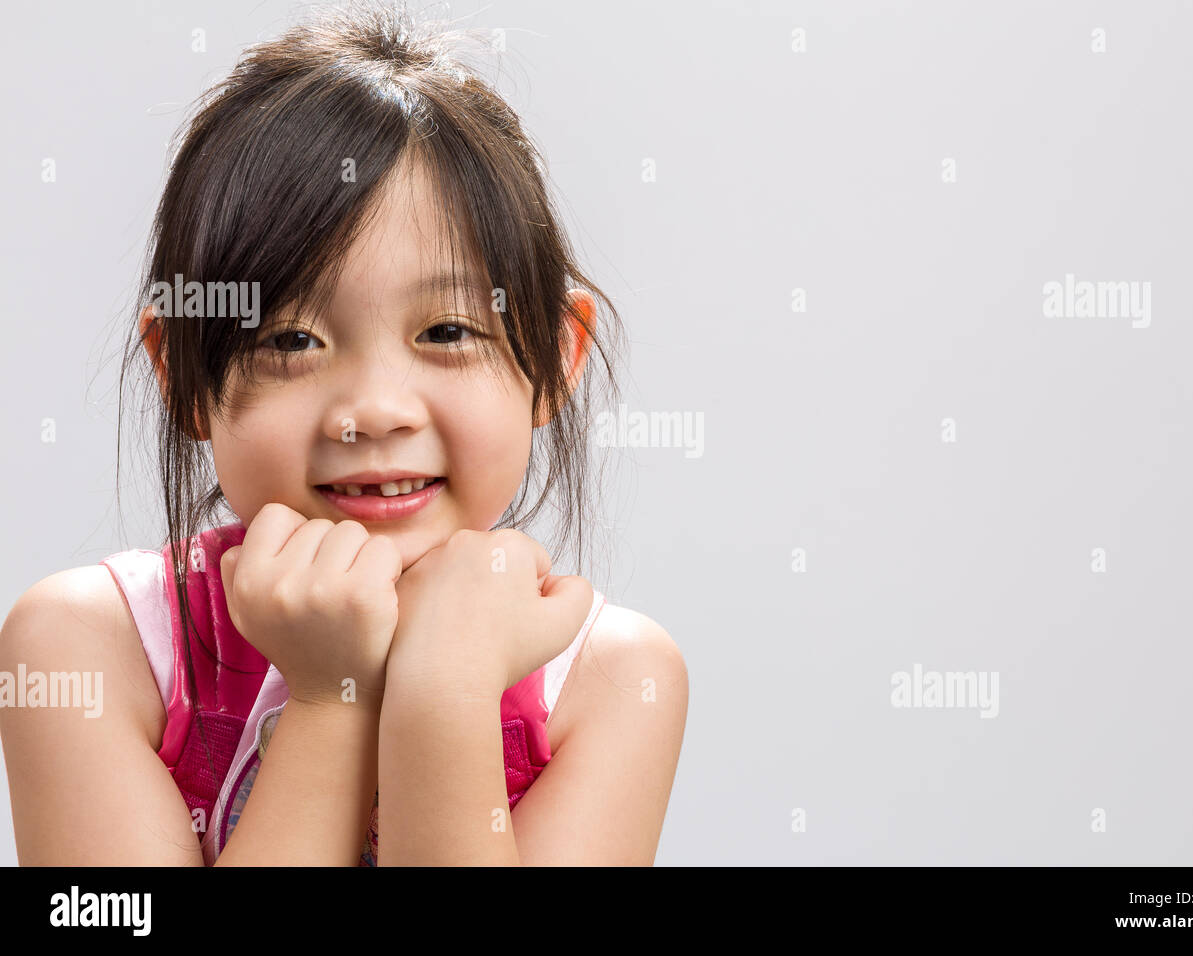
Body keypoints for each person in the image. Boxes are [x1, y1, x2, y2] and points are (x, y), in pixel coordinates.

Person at [0, 0, 687, 866]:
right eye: (291, 340)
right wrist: (330, 698)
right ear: (183, 376)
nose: (374, 410)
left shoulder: (608, 678)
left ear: (556, 357)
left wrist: (448, 691)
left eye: (446, 332)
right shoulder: (90, 646)